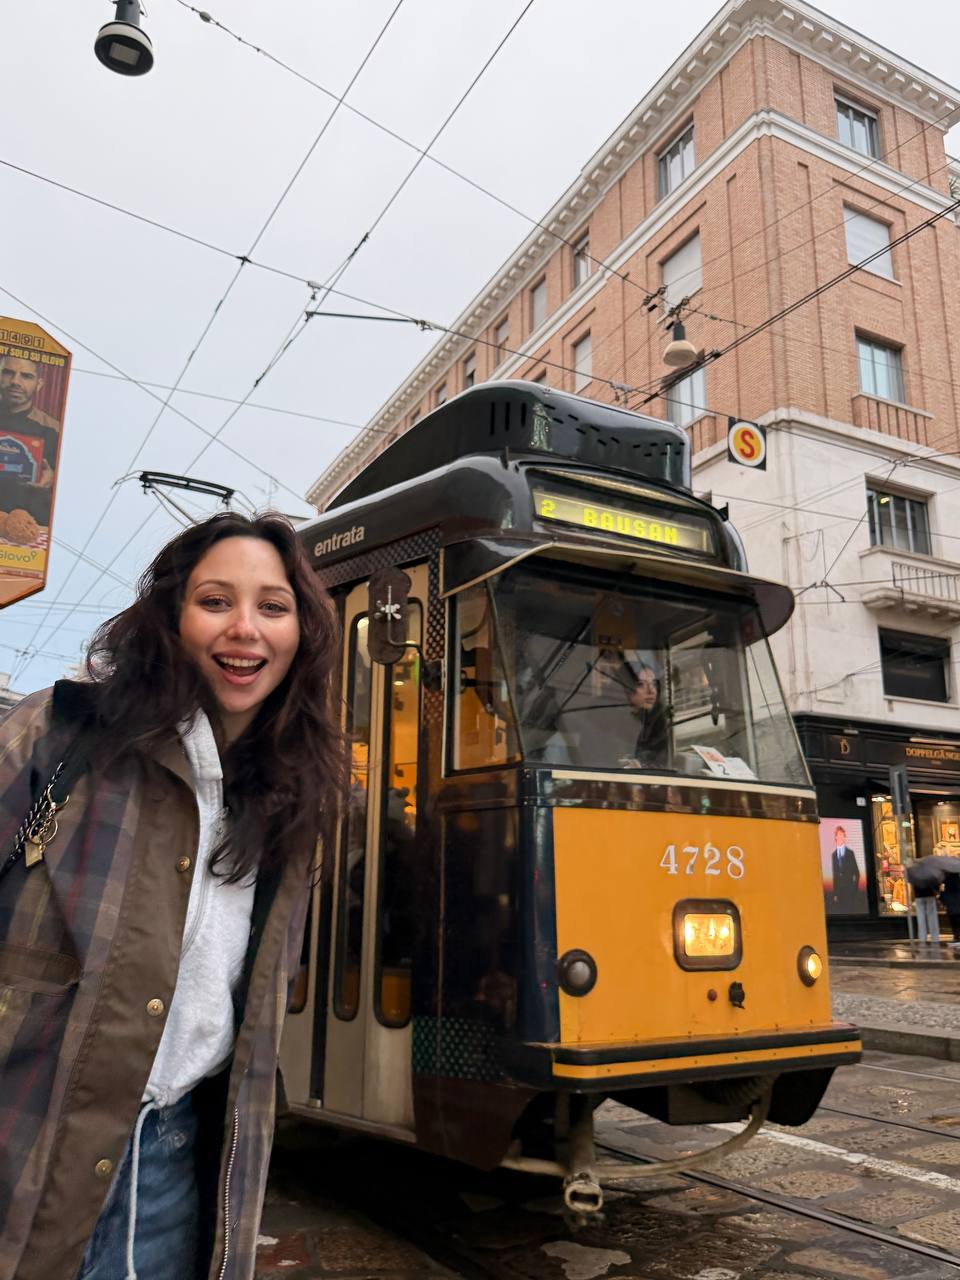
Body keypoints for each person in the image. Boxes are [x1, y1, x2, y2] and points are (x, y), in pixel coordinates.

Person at [0, 512, 344, 1280]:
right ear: (171, 617)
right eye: (215, 601)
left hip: (173, 1173)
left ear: (302, 633)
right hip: (23, 1150)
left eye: (273, 607)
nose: (245, 628)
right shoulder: (61, 732)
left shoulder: (291, 802)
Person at [0, 354, 60, 525]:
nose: (15, 382)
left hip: (26, 523)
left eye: (26, 376)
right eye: (8, 373)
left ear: (39, 384)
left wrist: (52, 480)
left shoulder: (54, 429)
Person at [831, 826, 861, 913]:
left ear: (844, 838)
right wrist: (835, 893)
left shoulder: (850, 853)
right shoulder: (833, 855)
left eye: (842, 835)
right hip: (839, 894)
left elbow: (857, 873)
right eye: (839, 835)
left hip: (850, 893)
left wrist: (854, 889)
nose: (840, 837)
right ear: (835, 837)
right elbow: (835, 876)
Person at [941, 870, 960, 946]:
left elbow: (944, 891)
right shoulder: (957, 879)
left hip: (950, 903)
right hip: (957, 903)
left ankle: (956, 937)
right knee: (957, 920)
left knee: (953, 921)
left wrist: (942, 900)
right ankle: (957, 937)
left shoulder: (946, 879)